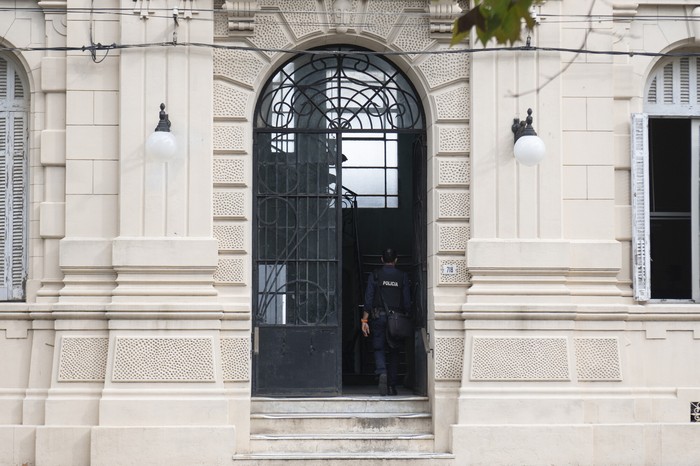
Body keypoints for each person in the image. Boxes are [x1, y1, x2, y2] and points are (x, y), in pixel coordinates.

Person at [361, 248, 411, 396]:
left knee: (379, 348)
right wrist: (407, 317)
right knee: (394, 351)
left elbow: (368, 299)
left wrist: (364, 320)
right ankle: (392, 386)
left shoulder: (375, 275)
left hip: (378, 317)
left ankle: (382, 372)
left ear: (382, 260)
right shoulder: (402, 276)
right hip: (396, 320)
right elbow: (407, 301)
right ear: (396, 260)